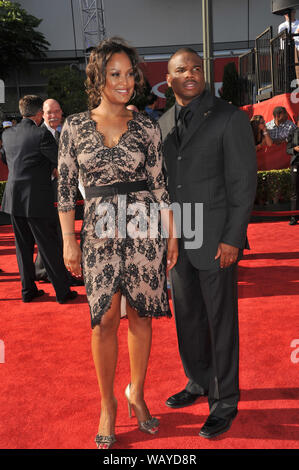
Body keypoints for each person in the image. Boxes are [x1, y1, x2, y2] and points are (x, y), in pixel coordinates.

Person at [57, 37, 178, 449]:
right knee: (104, 319)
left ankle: (137, 394)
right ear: (98, 77)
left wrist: (172, 235)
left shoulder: (146, 126)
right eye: (115, 74)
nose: (125, 81)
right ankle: (107, 403)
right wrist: (68, 242)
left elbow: (161, 186)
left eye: (130, 73)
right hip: (98, 232)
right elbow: (62, 193)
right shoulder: (73, 126)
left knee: (142, 316)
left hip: (145, 228)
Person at [159, 47, 257, 439]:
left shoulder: (229, 117)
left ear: (204, 74)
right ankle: (198, 381)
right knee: (188, 317)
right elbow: (165, 184)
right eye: (181, 69)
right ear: (169, 80)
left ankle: (225, 400)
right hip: (178, 238)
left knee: (220, 321)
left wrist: (233, 237)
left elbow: (242, 183)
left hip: (216, 238)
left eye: (196, 68)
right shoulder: (162, 122)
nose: (190, 74)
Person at [1, 95, 77, 303]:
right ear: (38, 114)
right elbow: (60, 162)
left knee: (22, 247)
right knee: (48, 245)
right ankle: (62, 292)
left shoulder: (8, 134)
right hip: (36, 198)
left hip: (13, 197)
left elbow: (5, 158)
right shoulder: (40, 135)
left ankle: (28, 290)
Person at [34, 99, 84, 286]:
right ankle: (59, 272)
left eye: (57, 111)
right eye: (49, 112)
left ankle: (42, 269)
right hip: (47, 192)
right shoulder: (37, 135)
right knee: (55, 233)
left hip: (65, 191)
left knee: (57, 233)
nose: (53, 115)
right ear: (42, 114)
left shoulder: (68, 132)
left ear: (62, 112)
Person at [278, 8, 299, 81]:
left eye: (292, 12)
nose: (289, 15)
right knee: (285, 70)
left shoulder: (298, 23)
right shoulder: (282, 26)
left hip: (296, 49)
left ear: (294, 12)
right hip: (285, 50)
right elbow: (282, 37)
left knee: (295, 69)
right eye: (286, 13)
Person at [287, 117, 299, 225]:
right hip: (296, 164)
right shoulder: (293, 133)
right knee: (295, 191)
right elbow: (288, 149)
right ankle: (294, 217)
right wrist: (294, 149)